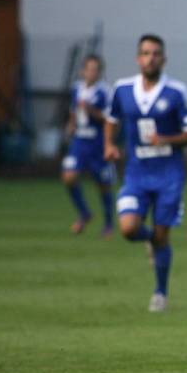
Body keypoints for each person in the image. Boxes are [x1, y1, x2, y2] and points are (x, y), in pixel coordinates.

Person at [104, 34, 187, 312]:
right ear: (138, 58)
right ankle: (148, 240)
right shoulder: (122, 89)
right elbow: (112, 120)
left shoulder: (177, 92)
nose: (151, 58)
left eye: (156, 53)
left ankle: (160, 293)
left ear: (163, 58)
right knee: (128, 228)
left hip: (169, 176)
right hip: (135, 174)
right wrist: (110, 145)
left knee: (163, 236)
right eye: (146, 53)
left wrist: (166, 140)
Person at [61, 54, 114, 237]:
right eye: (88, 69)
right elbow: (74, 111)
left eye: (95, 69)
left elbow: (110, 119)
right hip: (79, 142)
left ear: (100, 72)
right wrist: (71, 125)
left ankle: (108, 224)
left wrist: (91, 110)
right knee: (69, 177)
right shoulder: (77, 89)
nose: (91, 73)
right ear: (83, 71)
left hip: (98, 143)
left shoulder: (105, 92)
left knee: (103, 184)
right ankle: (84, 213)